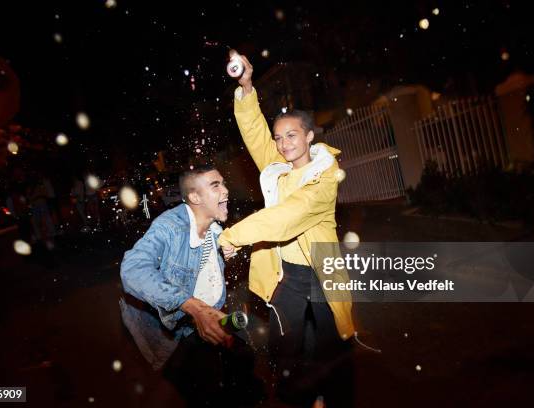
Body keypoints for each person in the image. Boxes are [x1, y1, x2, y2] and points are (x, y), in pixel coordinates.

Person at [218, 54, 358, 405]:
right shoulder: (277, 168)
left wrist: (233, 234)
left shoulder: (324, 175)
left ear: (309, 136)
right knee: (286, 352)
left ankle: (335, 398)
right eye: (279, 138)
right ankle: (301, 398)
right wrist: (247, 88)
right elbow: (256, 136)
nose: (283, 143)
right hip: (287, 276)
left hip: (322, 273)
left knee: (333, 348)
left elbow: (288, 217)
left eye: (291, 135)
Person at [120, 164, 261, 407]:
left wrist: (225, 249)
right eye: (215, 185)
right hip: (169, 333)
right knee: (206, 393)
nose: (226, 190)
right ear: (195, 197)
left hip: (202, 320)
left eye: (223, 183)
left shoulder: (215, 229)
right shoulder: (171, 228)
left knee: (244, 361)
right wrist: (194, 308)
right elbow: (132, 269)